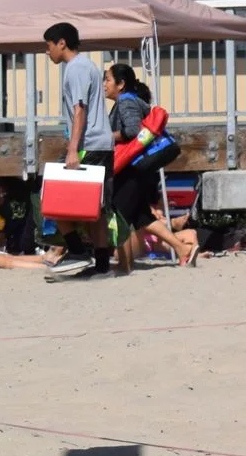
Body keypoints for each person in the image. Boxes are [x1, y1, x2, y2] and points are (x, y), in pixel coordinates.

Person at [42, 22, 116, 280]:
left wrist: (73, 149)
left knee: (52, 196)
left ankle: (77, 250)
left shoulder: (75, 69)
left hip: (89, 145)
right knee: (95, 207)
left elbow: (79, 109)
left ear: (61, 43)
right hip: (99, 144)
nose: (47, 51)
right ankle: (101, 265)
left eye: (48, 45)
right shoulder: (87, 66)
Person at [106, 62, 196, 271]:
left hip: (133, 167)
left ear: (121, 84)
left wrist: (104, 138)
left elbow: (131, 131)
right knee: (140, 216)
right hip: (139, 167)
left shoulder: (125, 102)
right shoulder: (128, 100)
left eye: (108, 80)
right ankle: (181, 249)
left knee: (119, 212)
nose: (104, 84)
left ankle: (124, 264)